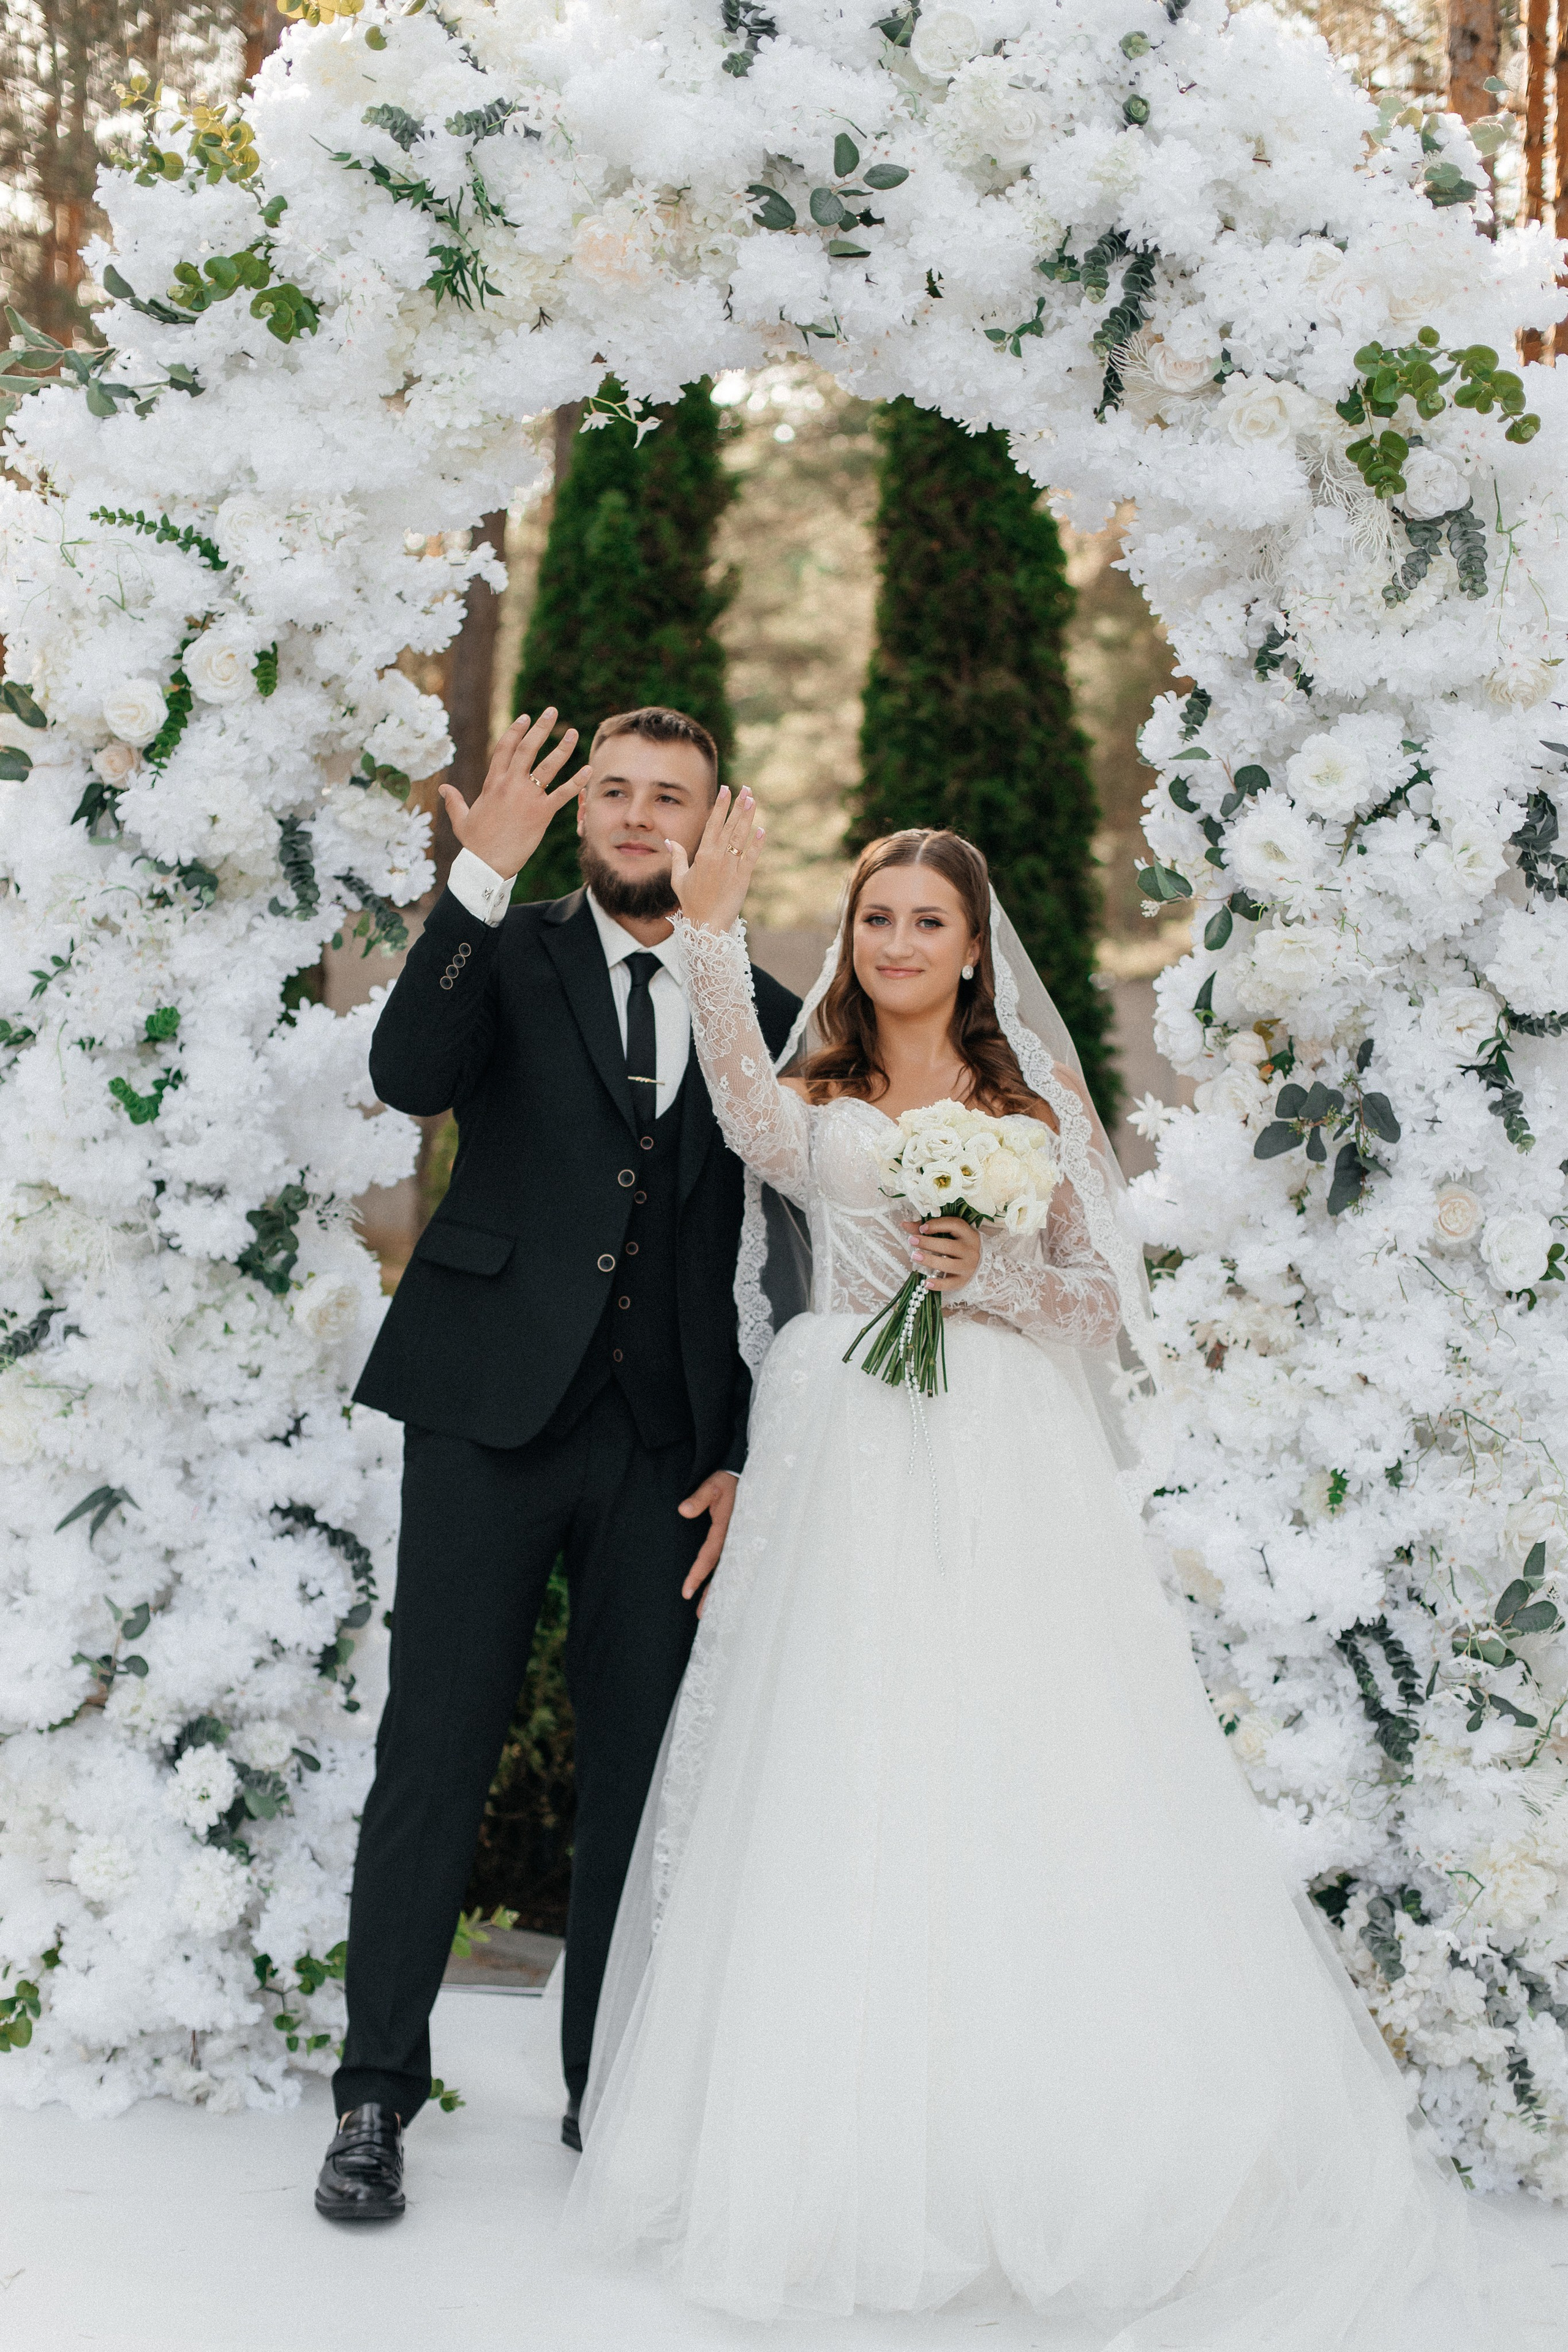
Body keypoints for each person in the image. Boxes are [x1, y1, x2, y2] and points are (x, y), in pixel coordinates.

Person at [563, 803, 1499, 2347]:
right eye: (875, 920)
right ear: (851, 941)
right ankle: (831, 2159)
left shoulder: (1023, 1099)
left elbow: (1092, 1302)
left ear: (972, 944)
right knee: (840, 1766)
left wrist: (988, 1275)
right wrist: (718, 937)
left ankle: (1044, 2136)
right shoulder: (820, 1081)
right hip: (839, 1450)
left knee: (1016, 1761)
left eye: (926, 921)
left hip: (993, 1445)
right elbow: (743, 1123)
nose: (897, 944)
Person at [313, 706, 799, 2222]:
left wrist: (749, 1453)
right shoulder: (502, 947)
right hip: (483, 1413)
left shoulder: (768, 1002)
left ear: (721, 819)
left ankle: (611, 2098)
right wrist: (474, 872)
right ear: (578, 812)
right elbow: (408, 1074)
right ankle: (376, 2101)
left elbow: (787, 1248)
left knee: (641, 1782)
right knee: (432, 1753)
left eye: (674, 796)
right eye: (616, 792)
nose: (641, 817)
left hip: (669, 1443)